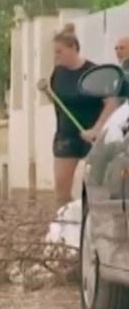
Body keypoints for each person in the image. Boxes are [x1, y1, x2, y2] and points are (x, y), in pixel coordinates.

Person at [49, 24, 120, 206]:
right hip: (66, 136)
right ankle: (64, 227)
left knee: (92, 188)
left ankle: (88, 224)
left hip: (92, 137)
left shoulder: (94, 73)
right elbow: (58, 102)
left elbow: (111, 103)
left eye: (59, 52)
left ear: (73, 48)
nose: (56, 56)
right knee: (61, 191)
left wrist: (97, 129)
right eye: (55, 52)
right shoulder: (57, 74)